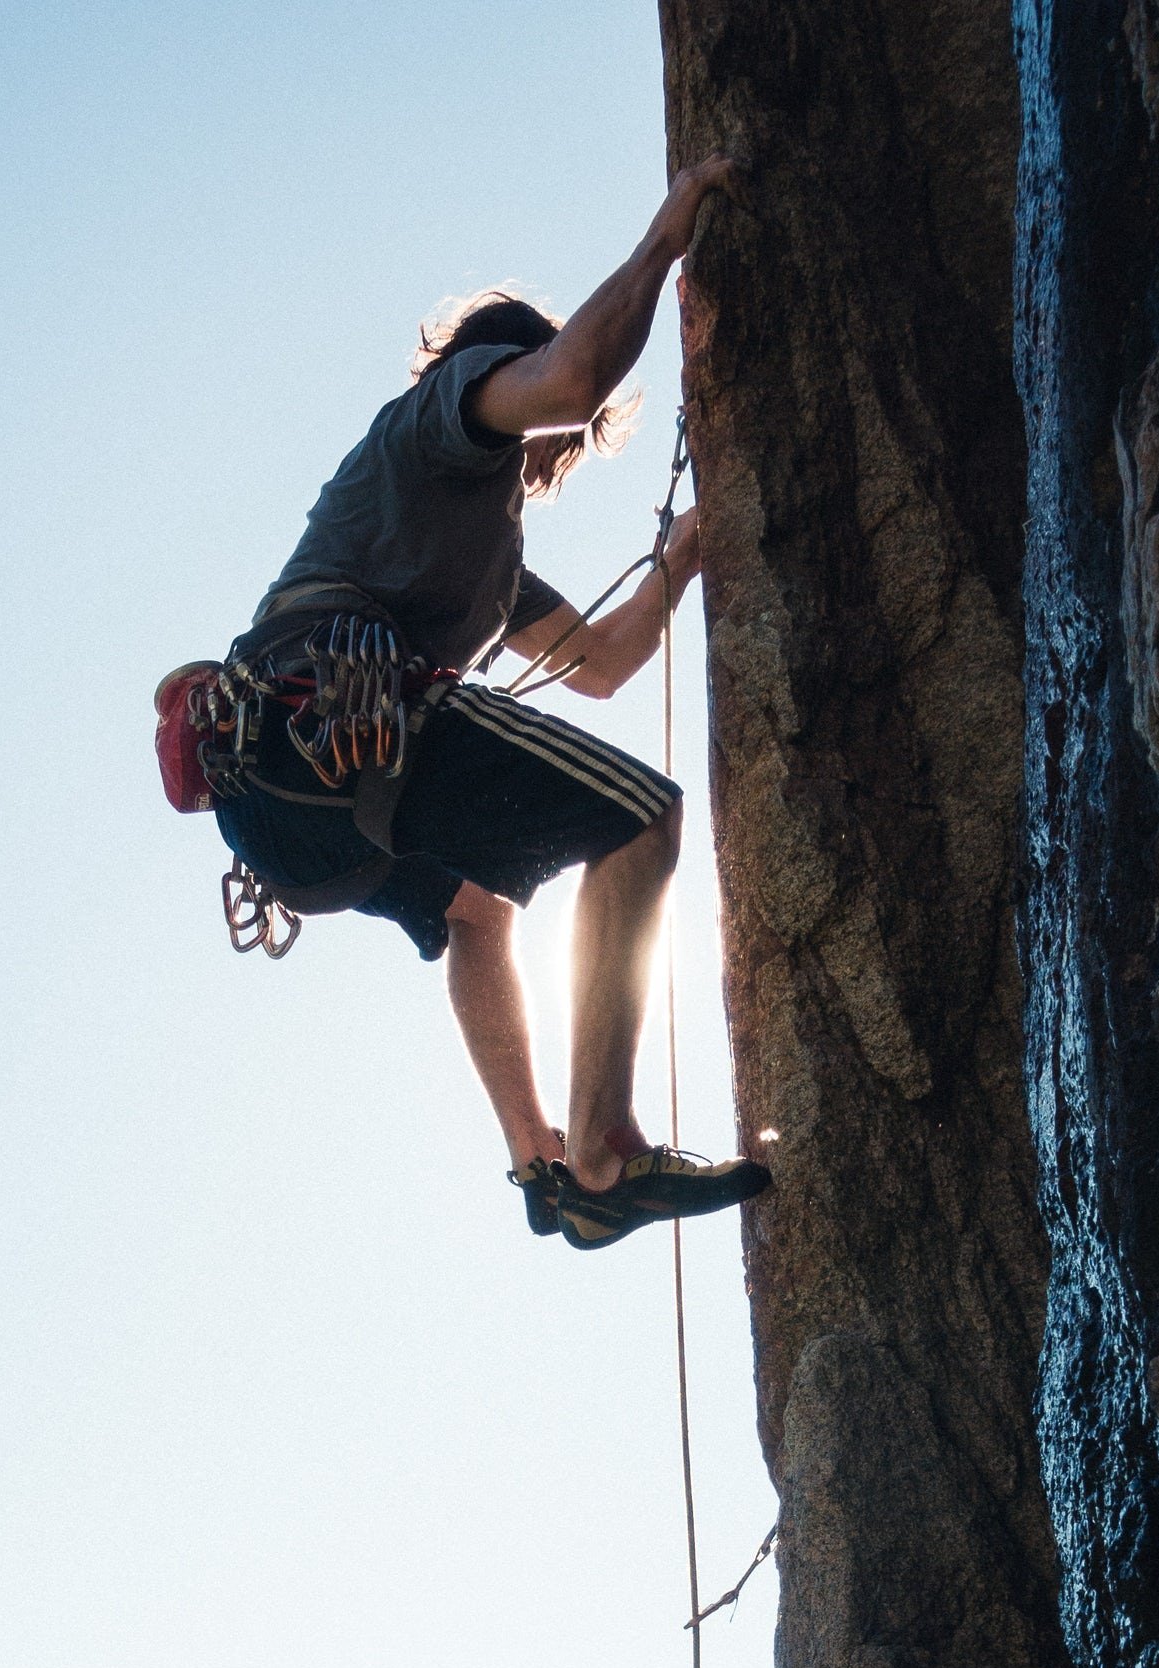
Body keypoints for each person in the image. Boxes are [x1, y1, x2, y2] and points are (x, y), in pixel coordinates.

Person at [158, 162, 768, 1252]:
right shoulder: (447, 408)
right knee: (643, 820)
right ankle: (602, 1153)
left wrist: (675, 565)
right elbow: (574, 375)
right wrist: (662, 243)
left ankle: (540, 1161)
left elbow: (596, 664)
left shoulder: (488, 561)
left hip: (288, 815)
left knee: (478, 912)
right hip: (331, 719)